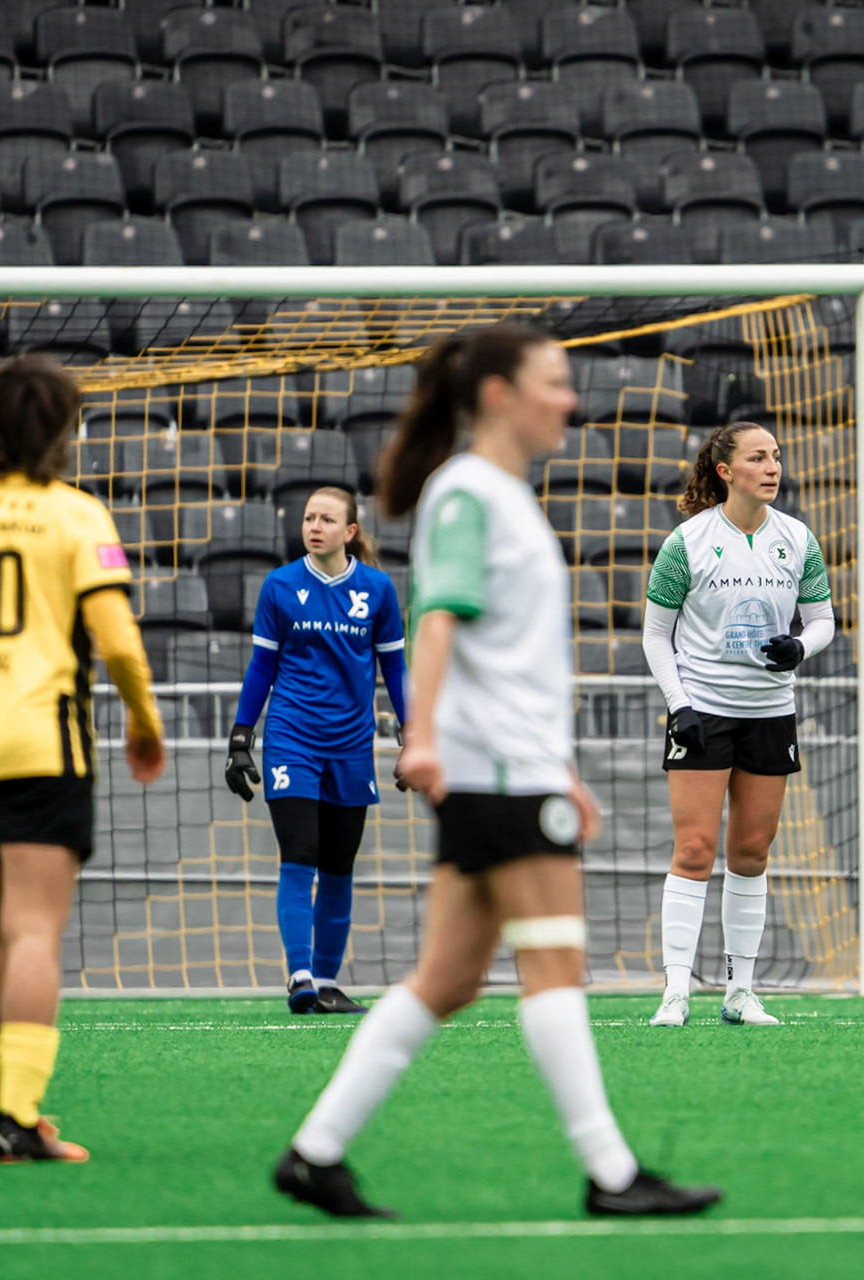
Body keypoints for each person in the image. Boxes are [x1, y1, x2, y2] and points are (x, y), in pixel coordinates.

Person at [273, 323, 721, 1218]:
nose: (570, 399)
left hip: (515, 767)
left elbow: (503, 654)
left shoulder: (492, 493)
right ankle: (612, 1174)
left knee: (448, 980)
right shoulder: (472, 493)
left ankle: (315, 1153)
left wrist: (562, 766)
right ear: (496, 397)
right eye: (553, 382)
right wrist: (423, 736)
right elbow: (438, 622)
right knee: (556, 966)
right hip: (498, 777)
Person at [0, 354, 167, 1161]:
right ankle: (19, 1116)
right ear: (64, 429)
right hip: (40, 735)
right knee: (36, 929)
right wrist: (143, 721)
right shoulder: (75, 516)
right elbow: (117, 639)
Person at [641, 422, 835, 1028]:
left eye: (776, 456)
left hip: (770, 712)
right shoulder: (687, 542)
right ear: (726, 472)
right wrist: (680, 704)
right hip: (701, 711)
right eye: (759, 457)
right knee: (694, 850)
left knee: (751, 853)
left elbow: (824, 619)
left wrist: (801, 649)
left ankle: (739, 992)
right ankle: (676, 992)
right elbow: (654, 635)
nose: (773, 466)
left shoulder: (798, 539)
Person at [226, 486, 407, 1015]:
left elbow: (394, 668)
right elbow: (262, 667)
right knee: (299, 853)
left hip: (352, 744)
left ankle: (326, 982)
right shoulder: (280, 585)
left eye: (327, 519)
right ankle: (300, 974)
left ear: (350, 531)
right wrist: (242, 737)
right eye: (309, 517)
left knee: (339, 866)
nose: (315, 526)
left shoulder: (376, 589)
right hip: (292, 738)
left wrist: (411, 733)